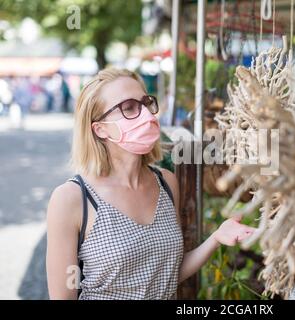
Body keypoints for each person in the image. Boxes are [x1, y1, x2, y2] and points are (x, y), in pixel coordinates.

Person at [46, 68, 255, 300]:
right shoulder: (72, 199)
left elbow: (166, 274)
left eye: (146, 103)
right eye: (129, 108)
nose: (146, 114)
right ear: (100, 129)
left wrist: (216, 237)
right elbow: (63, 296)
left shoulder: (166, 182)